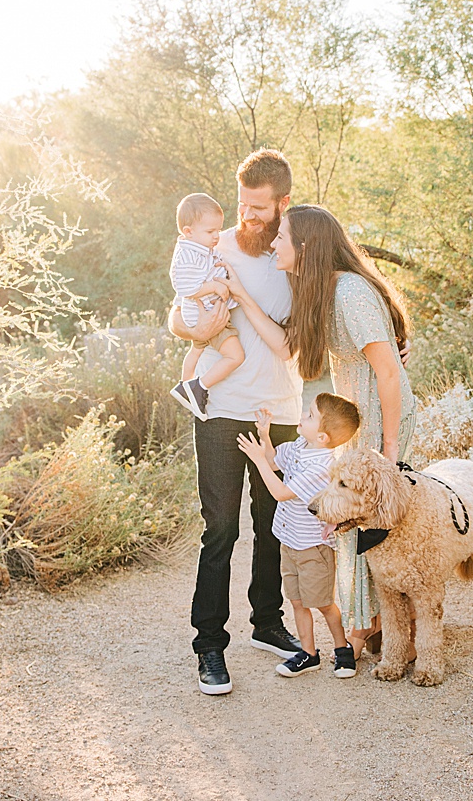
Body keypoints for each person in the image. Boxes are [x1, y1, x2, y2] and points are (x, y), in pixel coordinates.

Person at [222, 203, 417, 665]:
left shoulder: (348, 292)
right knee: (356, 521)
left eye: (282, 238)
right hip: (357, 417)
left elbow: (388, 373)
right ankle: (372, 626)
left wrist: (388, 449)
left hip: (381, 417)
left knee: (376, 520)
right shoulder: (324, 291)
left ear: (306, 246)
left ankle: (386, 626)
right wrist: (242, 296)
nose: (273, 244)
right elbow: (289, 347)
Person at [167, 149, 304, 696]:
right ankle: (209, 647)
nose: (246, 217)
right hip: (221, 407)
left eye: (258, 208)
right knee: (220, 529)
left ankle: (268, 624)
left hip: (280, 411)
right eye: (241, 205)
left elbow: (339, 305)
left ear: (282, 204)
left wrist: (397, 340)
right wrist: (195, 327)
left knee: (275, 525)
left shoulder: (299, 255)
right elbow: (177, 315)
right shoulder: (212, 245)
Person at [236, 393, 361, 679]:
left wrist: (257, 461)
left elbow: (280, 492)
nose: (301, 417)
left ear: (323, 437)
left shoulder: (321, 466)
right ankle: (309, 653)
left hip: (313, 548)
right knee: (297, 601)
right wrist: (264, 437)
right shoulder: (299, 446)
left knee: (323, 603)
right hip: (289, 541)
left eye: (309, 416)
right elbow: (274, 461)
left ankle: (342, 650)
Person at [167, 193, 245, 420]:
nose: (216, 237)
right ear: (188, 231)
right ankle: (197, 387)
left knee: (197, 349)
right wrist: (214, 287)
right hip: (210, 316)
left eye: (218, 231)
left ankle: (184, 385)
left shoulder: (196, 249)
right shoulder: (189, 255)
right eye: (210, 232)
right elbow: (186, 288)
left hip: (200, 316)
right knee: (235, 357)